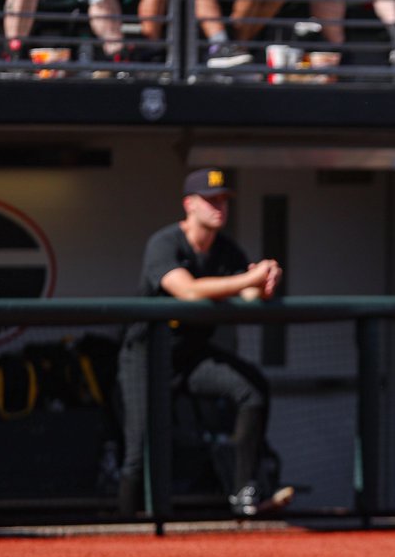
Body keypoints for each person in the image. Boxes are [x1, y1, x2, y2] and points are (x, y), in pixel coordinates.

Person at [117, 168, 289, 518]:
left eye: (223, 200)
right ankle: (123, 526)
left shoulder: (226, 250)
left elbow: (249, 291)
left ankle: (244, 494)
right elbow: (188, 291)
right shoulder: (164, 243)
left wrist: (264, 283)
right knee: (140, 448)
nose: (219, 207)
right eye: (211, 200)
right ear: (189, 205)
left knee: (251, 389)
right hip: (146, 357)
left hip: (191, 357)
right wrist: (248, 279)